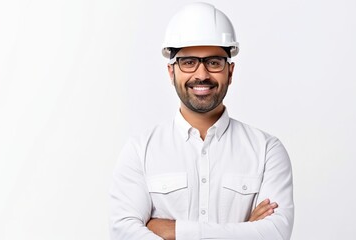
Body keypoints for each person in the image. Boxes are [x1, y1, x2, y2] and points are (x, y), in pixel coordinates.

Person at [109, 2, 294, 240]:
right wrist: (245, 231)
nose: (202, 74)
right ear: (171, 72)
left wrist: (173, 230)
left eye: (214, 62)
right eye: (188, 62)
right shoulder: (140, 151)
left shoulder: (267, 150)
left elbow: (275, 234)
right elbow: (122, 233)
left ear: (230, 72)